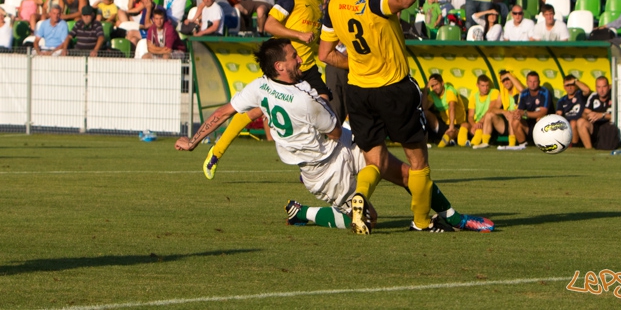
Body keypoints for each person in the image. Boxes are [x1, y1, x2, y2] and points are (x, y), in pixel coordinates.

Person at [177, 38, 492, 232]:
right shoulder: (304, 100)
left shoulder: (260, 87)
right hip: (325, 168)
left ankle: (450, 215)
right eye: (292, 57)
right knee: (374, 212)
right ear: (280, 66)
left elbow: (222, 113)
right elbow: (329, 129)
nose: (299, 58)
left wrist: (192, 141)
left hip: (329, 154)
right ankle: (306, 214)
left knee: (402, 176)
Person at [318, 0, 448, 233]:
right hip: (393, 89)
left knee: (374, 159)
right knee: (417, 159)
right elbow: (402, 0)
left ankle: (361, 196)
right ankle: (422, 221)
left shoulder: (335, 4)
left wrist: (354, 64)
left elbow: (325, 54)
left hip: (359, 92)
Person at [265, 0, 329, 98]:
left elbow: (314, 32)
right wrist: (299, 34)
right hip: (287, 66)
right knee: (266, 111)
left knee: (324, 102)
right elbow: (269, 25)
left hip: (308, 65)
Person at [423, 73, 470, 148]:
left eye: (436, 84)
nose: (435, 88)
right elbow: (424, 108)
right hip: (445, 123)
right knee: (425, 113)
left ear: (442, 83)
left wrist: (451, 127)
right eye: (432, 86)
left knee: (452, 133)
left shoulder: (450, 91)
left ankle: (444, 142)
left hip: (456, 123)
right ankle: (427, 138)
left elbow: (452, 108)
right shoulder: (433, 94)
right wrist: (426, 89)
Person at [515, 71, 554, 143]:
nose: (532, 84)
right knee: (515, 120)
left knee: (540, 119)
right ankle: (523, 145)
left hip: (547, 126)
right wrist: (518, 115)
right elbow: (520, 111)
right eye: (530, 81)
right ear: (527, 82)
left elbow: (543, 112)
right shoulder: (524, 93)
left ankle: (543, 144)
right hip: (529, 125)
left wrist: (525, 113)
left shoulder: (545, 92)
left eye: (535, 81)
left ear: (539, 82)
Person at [556, 75, 592, 148]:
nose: (570, 87)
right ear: (564, 87)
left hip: (581, 122)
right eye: (567, 85)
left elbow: (587, 90)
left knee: (574, 122)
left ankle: (574, 146)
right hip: (567, 125)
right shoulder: (562, 100)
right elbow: (558, 113)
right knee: (570, 123)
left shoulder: (580, 94)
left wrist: (575, 81)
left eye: (572, 85)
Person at [582, 76, 614, 144]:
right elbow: (584, 113)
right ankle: (589, 151)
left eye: (604, 86)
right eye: (599, 87)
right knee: (580, 122)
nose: (601, 90)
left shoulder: (614, 96)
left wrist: (602, 115)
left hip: (610, 127)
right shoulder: (593, 96)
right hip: (595, 126)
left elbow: (618, 116)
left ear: (609, 87)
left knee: (612, 122)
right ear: (596, 88)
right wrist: (590, 115)